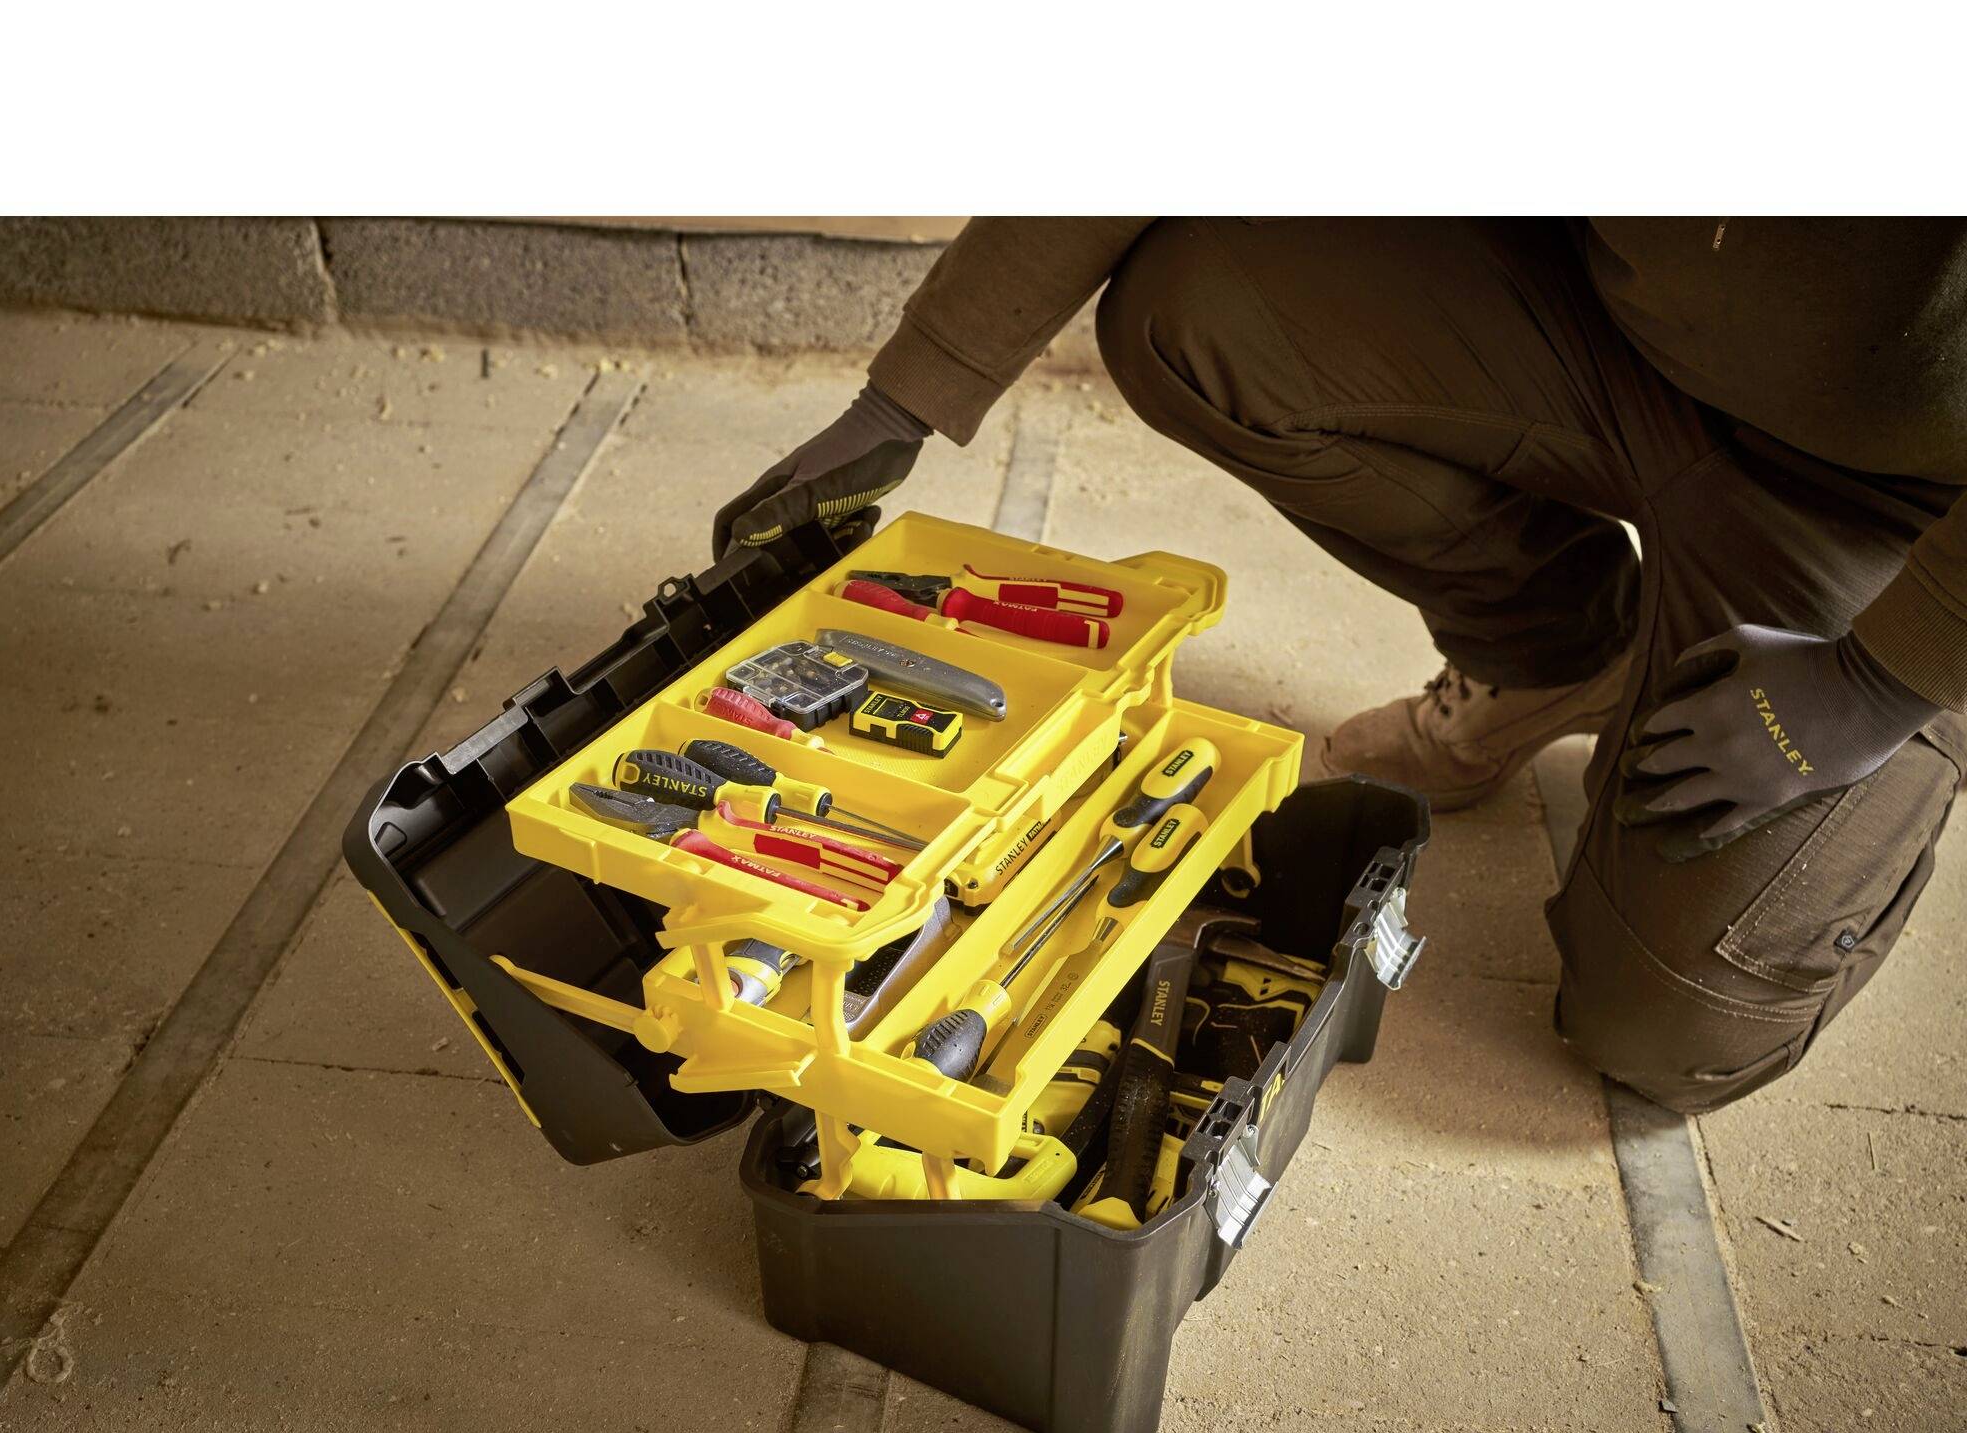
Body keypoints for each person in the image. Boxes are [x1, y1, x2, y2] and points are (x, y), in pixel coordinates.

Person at [712, 219, 1967, 1114]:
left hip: (1882, 497)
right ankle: (1556, 654)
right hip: (1611, 333)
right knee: (1196, 310)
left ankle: (1894, 739)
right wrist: (905, 400)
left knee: (1663, 1030)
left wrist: (1882, 678)